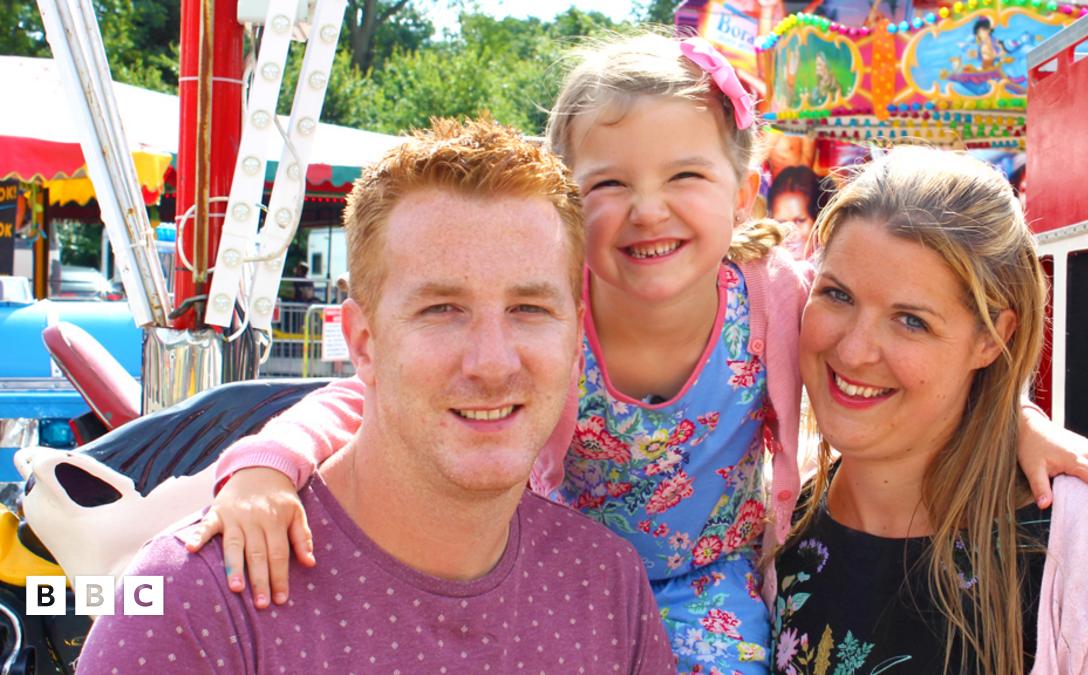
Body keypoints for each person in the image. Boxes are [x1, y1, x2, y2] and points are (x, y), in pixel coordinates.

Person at [191, 34, 1088, 673]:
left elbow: (908, 338)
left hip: (708, 584)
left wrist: (1017, 419)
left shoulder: (774, 295)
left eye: (684, 174)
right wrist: (264, 466)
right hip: (549, 569)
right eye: (608, 184)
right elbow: (380, 394)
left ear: (741, 186)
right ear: (567, 206)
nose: (648, 209)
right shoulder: (550, 307)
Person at [75, 118, 675, 674]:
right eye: (442, 309)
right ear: (363, 341)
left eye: (529, 308)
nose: (493, 362)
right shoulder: (190, 605)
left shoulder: (607, 586)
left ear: (575, 338)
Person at [771, 147, 1088, 674]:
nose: (855, 350)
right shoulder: (771, 521)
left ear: (992, 338)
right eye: (837, 295)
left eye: (911, 321)